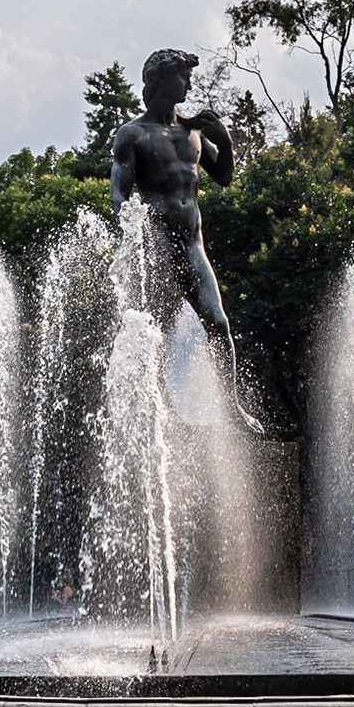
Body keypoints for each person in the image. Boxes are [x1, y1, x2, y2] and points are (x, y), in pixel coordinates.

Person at [111, 48, 263, 436]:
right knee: (155, 331)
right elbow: (119, 197)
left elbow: (225, 176)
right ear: (160, 81)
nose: (190, 83)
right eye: (183, 76)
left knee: (217, 321)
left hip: (193, 245)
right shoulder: (133, 134)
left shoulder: (192, 132)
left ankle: (232, 409)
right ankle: (161, 414)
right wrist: (134, 242)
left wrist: (225, 140)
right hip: (158, 243)